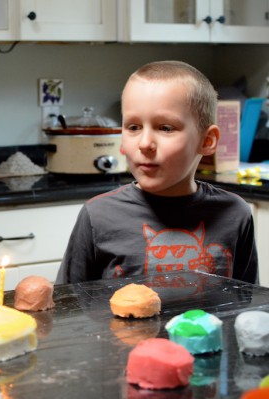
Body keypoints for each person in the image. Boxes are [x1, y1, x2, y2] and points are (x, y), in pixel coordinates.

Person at [56, 60, 258, 285]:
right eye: (133, 127)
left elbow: (249, 306)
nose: (144, 143)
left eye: (165, 128)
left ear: (207, 140)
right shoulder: (97, 216)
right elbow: (68, 307)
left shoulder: (235, 214)